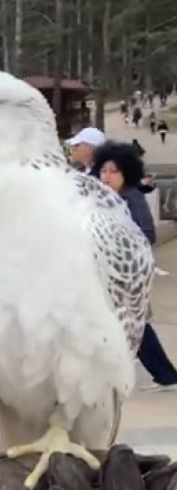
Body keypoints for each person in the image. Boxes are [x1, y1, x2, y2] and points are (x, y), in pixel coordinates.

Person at [90, 142, 177, 392]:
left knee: (135, 325)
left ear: (126, 173)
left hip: (125, 275)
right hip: (101, 272)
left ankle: (165, 375)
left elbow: (147, 233)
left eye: (113, 172)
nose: (107, 177)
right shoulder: (100, 199)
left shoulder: (132, 198)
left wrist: (119, 245)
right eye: (104, 171)